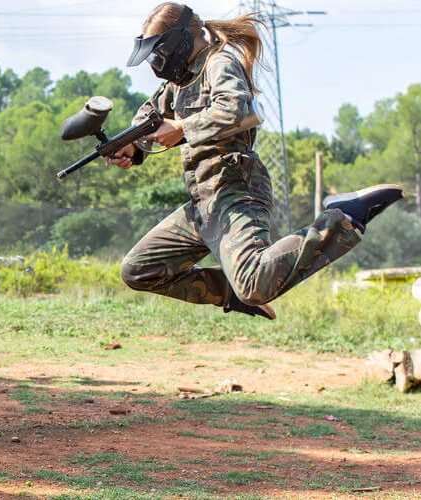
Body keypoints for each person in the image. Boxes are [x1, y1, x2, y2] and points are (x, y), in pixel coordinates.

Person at [111, 3, 403, 319]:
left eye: (158, 51)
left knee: (256, 286)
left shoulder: (219, 63)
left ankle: (343, 217)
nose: (156, 62)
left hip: (237, 191)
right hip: (203, 203)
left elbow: (236, 109)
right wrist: (133, 145)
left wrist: (182, 128)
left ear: (178, 41)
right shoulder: (180, 81)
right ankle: (230, 292)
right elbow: (150, 116)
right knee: (139, 269)